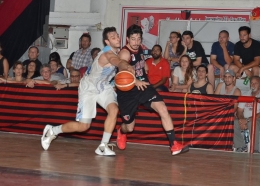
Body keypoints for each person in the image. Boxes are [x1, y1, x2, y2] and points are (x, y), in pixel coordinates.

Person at [40, 27, 134, 156]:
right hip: (88, 88)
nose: (117, 38)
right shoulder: (107, 54)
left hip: (103, 86)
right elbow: (117, 62)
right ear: (107, 41)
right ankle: (52, 131)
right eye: (113, 37)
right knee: (83, 126)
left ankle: (103, 146)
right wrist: (127, 66)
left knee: (114, 110)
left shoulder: (116, 52)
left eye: (117, 36)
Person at [117, 24, 189, 155]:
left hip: (143, 87)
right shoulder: (124, 52)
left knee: (162, 108)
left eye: (139, 39)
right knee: (129, 127)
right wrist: (135, 80)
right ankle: (121, 131)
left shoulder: (138, 48)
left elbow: (139, 60)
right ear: (127, 39)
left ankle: (174, 144)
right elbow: (123, 68)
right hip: (127, 92)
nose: (136, 42)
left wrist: (144, 64)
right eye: (133, 39)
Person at [234, 76, 260, 153]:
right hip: (245, 119)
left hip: (257, 119)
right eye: (252, 83)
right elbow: (239, 111)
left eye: (256, 83)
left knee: (252, 123)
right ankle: (240, 146)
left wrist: (248, 120)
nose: (253, 85)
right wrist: (241, 119)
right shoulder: (246, 94)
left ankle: (254, 149)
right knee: (234, 122)